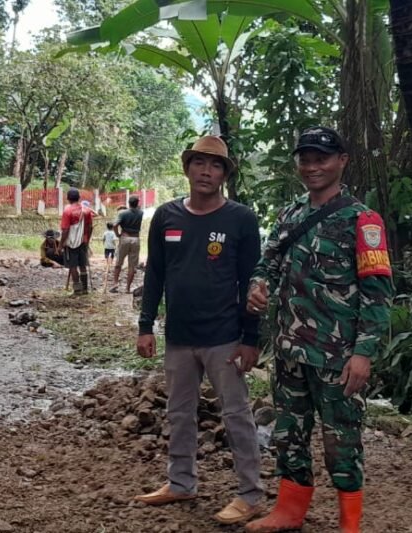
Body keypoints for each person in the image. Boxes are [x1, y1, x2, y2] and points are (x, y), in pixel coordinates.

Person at [244, 127, 393, 533]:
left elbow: (378, 293)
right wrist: (259, 285)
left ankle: (350, 523)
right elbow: (268, 263)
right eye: (305, 159)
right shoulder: (291, 214)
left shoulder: (363, 220)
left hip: (338, 357)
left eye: (321, 158)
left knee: (341, 442)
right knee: (289, 435)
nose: (312, 167)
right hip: (290, 350)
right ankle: (289, 511)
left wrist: (363, 353)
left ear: (342, 160)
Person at [135, 135, 264, 526]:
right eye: (199, 164)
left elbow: (252, 282)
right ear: (187, 168)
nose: (206, 172)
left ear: (224, 174)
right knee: (178, 413)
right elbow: (155, 274)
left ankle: (250, 494)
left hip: (224, 337)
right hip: (178, 336)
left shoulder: (240, 219)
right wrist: (145, 326)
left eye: (215, 166)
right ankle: (181, 482)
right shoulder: (166, 216)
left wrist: (251, 338)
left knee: (237, 414)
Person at [59, 188, 94, 295]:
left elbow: (65, 230)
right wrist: (87, 240)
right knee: (82, 265)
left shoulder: (67, 211)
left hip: (71, 242)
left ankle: (77, 290)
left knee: (73, 266)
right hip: (83, 241)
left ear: (68, 199)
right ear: (79, 198)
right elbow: (90, 227)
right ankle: (85, 289)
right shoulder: (87, 210)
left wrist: (60, 245)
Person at [111, 195, 143, 293]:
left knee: (119, 262)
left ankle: (115, 284)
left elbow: (115, 225)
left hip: (124, 238)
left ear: (128, 203)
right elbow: (138, 209)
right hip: (135, 239)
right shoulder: (141, 213)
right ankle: (127, 288)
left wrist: (117, 234)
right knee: (132, 266)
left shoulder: (122, 213)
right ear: (137, 203)